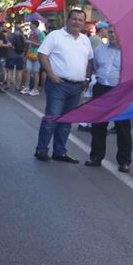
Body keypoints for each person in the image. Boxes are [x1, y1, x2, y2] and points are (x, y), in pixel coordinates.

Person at [34, 9, 94, 163]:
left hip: (77, 87)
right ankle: (42, 150)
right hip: (58, 84)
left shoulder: (85, 39)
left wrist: (87, 78)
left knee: (67, 121)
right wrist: (51, 74)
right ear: (67, 20)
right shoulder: (55, 36)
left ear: (83, 23)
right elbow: (42, 54)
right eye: (74, 19)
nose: (77, 22)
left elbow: (90, 60)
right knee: (52, 117)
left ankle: (60, 152)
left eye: (80, 20)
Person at [85, 25, 132, 173]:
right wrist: (87, 79)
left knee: (122, 128)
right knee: (98, 126)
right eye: (111, 32)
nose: (113, 35)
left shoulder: (130, 52)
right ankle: (96, 157)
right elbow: (95, 66)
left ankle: (124, 161)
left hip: (120, 92)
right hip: (101, 89)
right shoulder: (100, 49)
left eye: (117, 32)